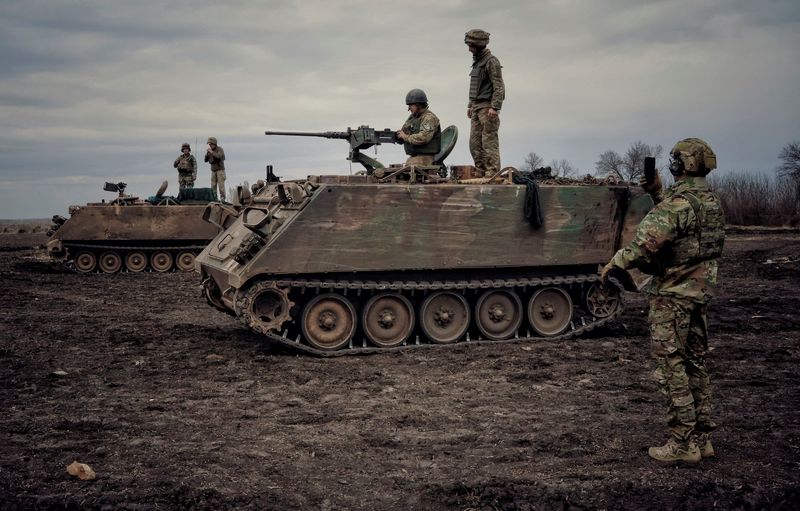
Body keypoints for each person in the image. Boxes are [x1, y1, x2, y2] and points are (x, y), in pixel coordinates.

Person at [600, 138, 725, 463]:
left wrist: (616, 262)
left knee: (671, 367)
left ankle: (682, 444)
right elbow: (681, 219)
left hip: (671, 297)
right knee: (695, 364)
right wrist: (656, 191)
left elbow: (645, 245)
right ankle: (702, 438)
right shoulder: (710, 202)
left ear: (680, 165)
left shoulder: (677, 205)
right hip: (699, 294)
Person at [465, 28, 505, 178]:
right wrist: (470, 105)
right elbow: (476, 86)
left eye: (471, 46)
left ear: (479, 45)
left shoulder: (491, 61)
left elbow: (498, 86)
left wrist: (495, 107)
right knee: (474, 144)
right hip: (477, 107)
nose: (469, 49)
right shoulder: (477, 62)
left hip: (487, 107)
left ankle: (492, 173)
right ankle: (480, 171)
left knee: (489, 142)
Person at [396, 88, 441, 166]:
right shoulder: (412, 118)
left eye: (411, 105)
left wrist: (406, 137)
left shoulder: (429, 118)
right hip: (414, 159)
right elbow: (404, 132)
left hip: (425, 160)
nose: (409, 108)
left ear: (418, 104)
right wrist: (398, 136)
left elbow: (424, 137)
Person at [204, 136, 226, 201]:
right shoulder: (210, 151)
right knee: (213, 185)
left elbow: (219, 156)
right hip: (213, 170)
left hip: (220, 170)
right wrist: (207, 154)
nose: (210, 145)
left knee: (221, 185)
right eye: (209, 144)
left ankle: (222, 199)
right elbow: (205, 160)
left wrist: (212, 152)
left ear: (214, 143)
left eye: (211, 144)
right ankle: (214, 198)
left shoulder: (220, 149)